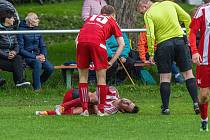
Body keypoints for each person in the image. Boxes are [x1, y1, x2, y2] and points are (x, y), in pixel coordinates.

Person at [137, 0, 199, 115]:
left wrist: (150, 53)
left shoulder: (149, 14)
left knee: (165, 77)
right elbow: (187, 18)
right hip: (180, 42)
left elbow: (150, 34)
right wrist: (189, 37)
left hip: (164, 45)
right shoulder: (170, 3)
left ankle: (165, 108)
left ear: (144, 6)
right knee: (188, 74)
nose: (142, 14)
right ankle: (196, 103)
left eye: (141, 12)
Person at [75, 5, 125, 116]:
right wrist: (111, 62)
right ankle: (101, 110)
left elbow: (77, 39)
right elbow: (122, 44)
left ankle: (85, 110)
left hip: (81, 43)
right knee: (101, 78)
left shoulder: (90, 18)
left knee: (83, 77)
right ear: (113, 15)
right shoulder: (111, 20)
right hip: (97, 43)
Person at [35, 86, 139, 116]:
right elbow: (96, 92)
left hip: (78, 103)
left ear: (123, 110)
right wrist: (95, 105)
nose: (127, 102)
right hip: (74, 94)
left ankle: (45, 112)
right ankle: (63, 106)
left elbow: (96, 110)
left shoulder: (112, 110)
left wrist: (94, 107)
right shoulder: (114, 91)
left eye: (127, 105)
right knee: (93, 98)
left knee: (80, 111)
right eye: (130, 101)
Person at [17, 12, 54, 91]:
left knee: (50, 68)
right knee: (37, 63)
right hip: (26, 57)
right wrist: (35, 57)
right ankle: (37, 89)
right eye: (36, 18)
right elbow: (20, 50)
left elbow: (43, 46)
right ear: (30, 21)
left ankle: (37, 83)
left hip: (38, 56)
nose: (38, 20)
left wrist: (43, 55)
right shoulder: (20, 31)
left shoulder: (38, 30)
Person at [189, 3, 210, 131]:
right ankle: (204, 120)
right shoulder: (203, 10)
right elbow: (192, 32)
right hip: (205, 59)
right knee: (203, 96)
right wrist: (194, 51)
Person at [0, 10, 30, 87]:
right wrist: (6, 55)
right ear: (6, 19)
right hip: (1, 57)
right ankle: (19, 81)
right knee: (19, 65)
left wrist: (14, 52)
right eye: (12, 18)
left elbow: (16, 45)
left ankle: (20, 81)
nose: (14, 20)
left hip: (10, 56)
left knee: (18, 58)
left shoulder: (12, 30)